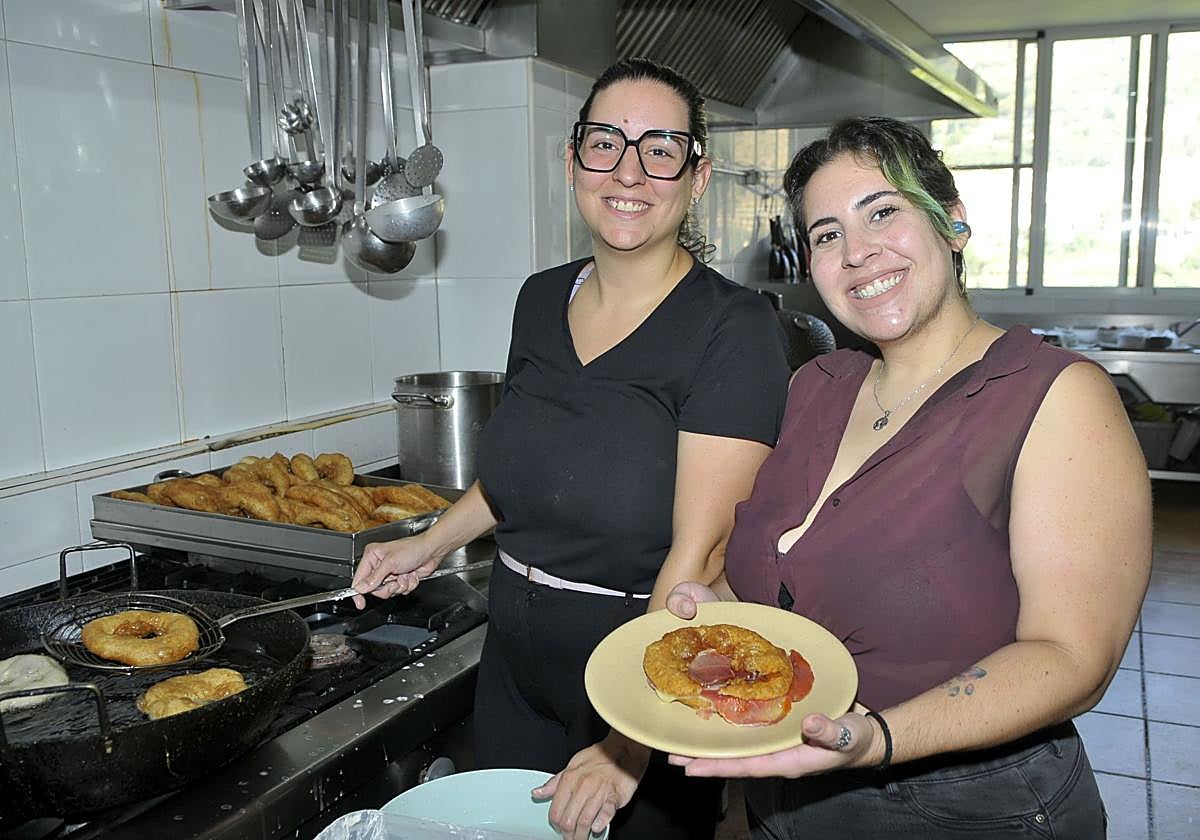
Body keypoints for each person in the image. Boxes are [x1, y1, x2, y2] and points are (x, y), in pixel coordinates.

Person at [662, 116, 1153, 838]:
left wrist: (879, 738)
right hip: (789, 793)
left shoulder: (1053, 396)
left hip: (970, 807)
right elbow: (797, 567)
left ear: (953, 223)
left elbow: (1075, 659)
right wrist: (721, 607)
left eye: (883, 212)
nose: (857, 252)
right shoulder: (817, 385)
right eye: (826, 234)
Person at [352, 58, 791, 839]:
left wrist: (630, 742)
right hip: (513, 657)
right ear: (572, 159)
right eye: (605, 143)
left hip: (642, 659)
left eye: (661, 149)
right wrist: (429, 543)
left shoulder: (734, 327)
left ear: (697, 177)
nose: (629, 171)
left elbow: (704, 553)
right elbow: (522, 473)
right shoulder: (540, 297)